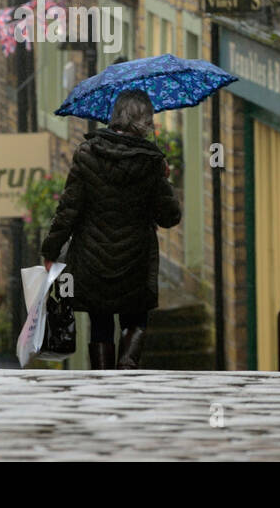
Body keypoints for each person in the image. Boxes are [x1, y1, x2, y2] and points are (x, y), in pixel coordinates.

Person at [39, 89, 181, 370]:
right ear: (145, 122)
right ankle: (127, 366)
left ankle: (102, 379)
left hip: (93, 256)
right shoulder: (151, 163)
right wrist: (164, 180)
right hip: (135, 258)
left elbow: (68, 210)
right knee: (135, 319)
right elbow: (169, 217)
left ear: (116, 116)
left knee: (100, 321)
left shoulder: (87, 154)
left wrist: (50, 250)